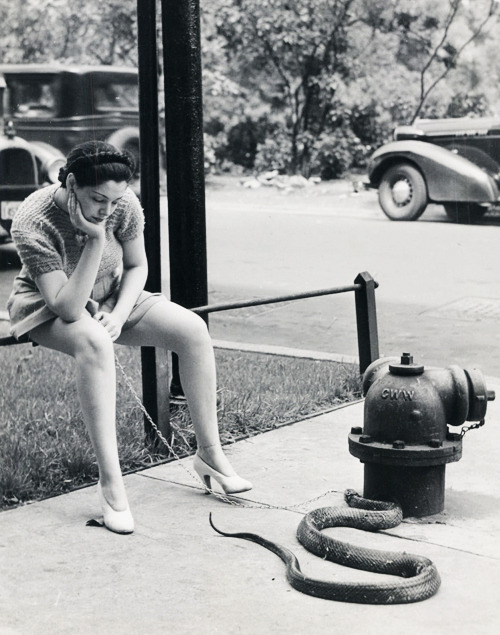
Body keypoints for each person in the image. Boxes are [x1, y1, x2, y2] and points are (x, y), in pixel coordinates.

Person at [7, 140, 252, 534]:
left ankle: (210, 454)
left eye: (115, 200)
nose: (107, 210)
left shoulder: (123, 203)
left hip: (112, 295)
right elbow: (67, 308)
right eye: (97, 199)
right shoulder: (32, 220)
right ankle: (111, 484)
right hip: (48, 302)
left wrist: (119, 315)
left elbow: (137, 265)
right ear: (71, 183)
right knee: (94, 342)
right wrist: (97, 239)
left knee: (192, 330)